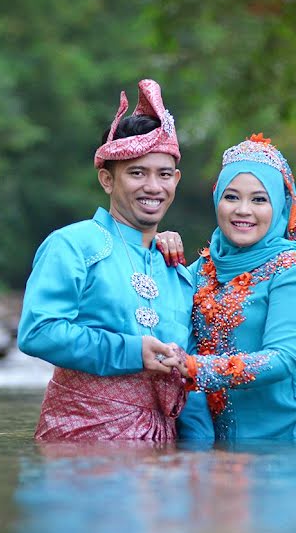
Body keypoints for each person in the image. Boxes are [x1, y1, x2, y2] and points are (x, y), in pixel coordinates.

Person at [17, 79, 193, 441]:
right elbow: (37, 333)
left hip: (166, 445)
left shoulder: (175, 266)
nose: (153, 187)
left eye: (163, 174)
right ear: (107, 180)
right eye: (137, 173)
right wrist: (131, 351)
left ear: (176, 180)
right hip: (82, 438)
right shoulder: (72, 245)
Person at [160, 133, 296, 440]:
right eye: (231, 197)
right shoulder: (203, 268)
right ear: (217, 201)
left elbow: (283, 358)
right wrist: (157, 246)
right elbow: (158, 301)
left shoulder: (293, 272)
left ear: (280, 207)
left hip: (289, 442)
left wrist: (196, 367)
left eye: (259, 199)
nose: (243, 210)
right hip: (222, 446)